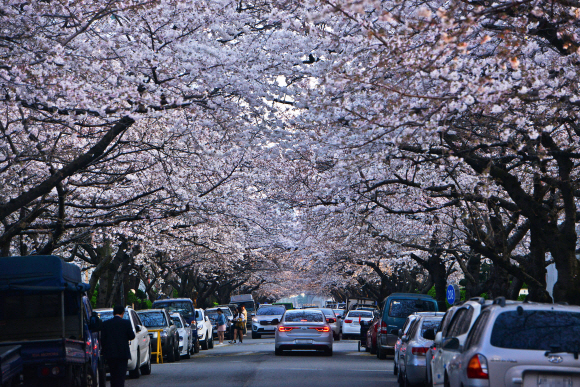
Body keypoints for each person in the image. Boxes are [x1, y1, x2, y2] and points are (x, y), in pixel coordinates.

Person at [101, 305, 135, 387]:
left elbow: (102, 339)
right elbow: (132, 336)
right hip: (122, 354)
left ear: (113, 313)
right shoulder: (126, 323)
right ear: (122, 313)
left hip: (110, 354)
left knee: (113, 374)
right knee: (121, 376)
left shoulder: (106, 324)